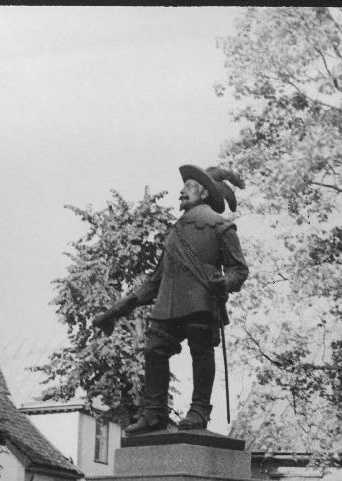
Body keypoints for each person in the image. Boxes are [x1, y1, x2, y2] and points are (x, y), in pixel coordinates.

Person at [92, 164, 249, 434]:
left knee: (200, 351)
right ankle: (154, 413)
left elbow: (239, 270)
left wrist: (225, 282)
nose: (181, 192)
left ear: (203, 194)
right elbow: (155, 281)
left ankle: (199, 411)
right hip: (168, 304)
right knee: (154, 350)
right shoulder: (175, 232)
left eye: (188, 187)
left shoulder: (220, 226)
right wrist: (116, 311)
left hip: (200, 300)